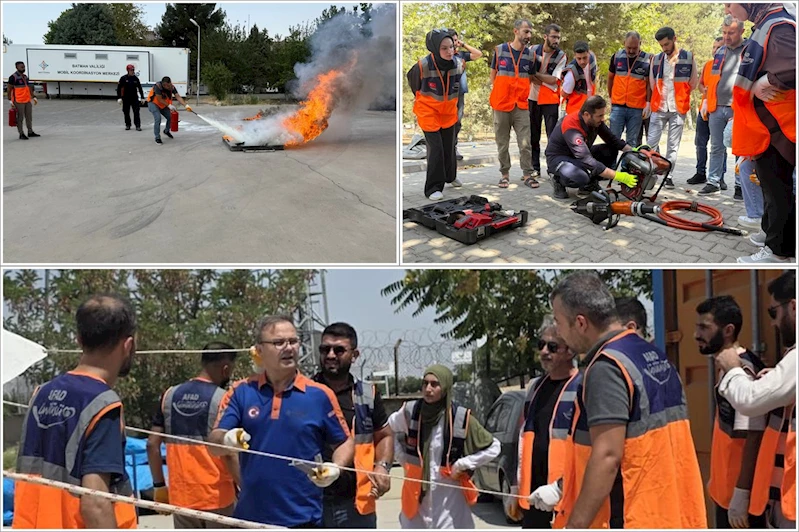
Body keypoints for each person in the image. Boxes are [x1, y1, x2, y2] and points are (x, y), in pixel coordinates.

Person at [549, 272, 707, 528]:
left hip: (630, 516)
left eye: (558, 322)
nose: (558, 332)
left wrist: (574, 526)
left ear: (580, 323)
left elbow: (607, 456)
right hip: (668, 511)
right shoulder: (652, 355)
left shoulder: (606, 367)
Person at [209, 316, 354, 528]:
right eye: (278, 343)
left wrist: (336, 467)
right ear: (259, 350)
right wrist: (227, 439)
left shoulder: (320, 395)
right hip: (250, 521)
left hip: (304, 520)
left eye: (293, 341)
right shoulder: (241, 392)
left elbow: (344, 442)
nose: (289, 348)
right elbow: (213, 443)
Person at [13, 294, 138, 528]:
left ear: (79, 339)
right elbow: (95, 501)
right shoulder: (103, 404)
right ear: (128, 345)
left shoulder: (41, 393)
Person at [715, 270, 796, 528]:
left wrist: (732, 369)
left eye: (774, 312)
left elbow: (750, 401)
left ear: (793, 306)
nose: (772, 322)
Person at [390, 365, 500, 528]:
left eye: (435, 384)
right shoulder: (410, 412)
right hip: (416, 496)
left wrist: (464, 464)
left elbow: (494, 447)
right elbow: (386, 430)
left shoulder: (459, 417)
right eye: (425, 383)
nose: (428, 389)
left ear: (446, 387)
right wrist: (401, 457)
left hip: (449, 495)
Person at [726, 3, 795, 264]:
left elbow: (792, 67)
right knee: (770, 184)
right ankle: (773, 235)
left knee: (778, 187)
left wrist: (765, 82)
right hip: (766, 126)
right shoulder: (765, 23)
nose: (727, 8)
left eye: (729, 2)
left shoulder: (779, 26)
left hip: (778, 126)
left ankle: (779, 252)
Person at [147, 342, 240, 528]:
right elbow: (230, 452)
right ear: (226, 368)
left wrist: (159, 486)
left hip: (182, 497)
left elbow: (151, 445)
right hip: (218, 496)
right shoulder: (225, 399)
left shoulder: (169, 395)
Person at [312, 322, 394, 528]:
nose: (330, 355)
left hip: (356, 505)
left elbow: (384, 435)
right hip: (312, 502)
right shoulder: (305, 391)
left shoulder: (367, 394)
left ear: (355, 355)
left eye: (339, 350)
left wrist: (382, 466)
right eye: (325, 349)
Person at [694, 296, 767, 528]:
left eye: (704, 327)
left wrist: (741, 493)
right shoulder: (727, 367)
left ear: (728, 330)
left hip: (739, 499)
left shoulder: (743, 370)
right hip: (725, 490)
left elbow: (752, 435)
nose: (696, 334)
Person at [514, 317, 581, 529]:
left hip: (565, 498)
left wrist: (559, 488)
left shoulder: (582, 387)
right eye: (540, 345)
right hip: (534, 499)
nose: (544, 351)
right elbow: (522, 441)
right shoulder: (535, 388)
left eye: (552, 347)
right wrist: (516, 487)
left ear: (570, 351)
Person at [544, 95, 638, 200]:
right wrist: (619, 176)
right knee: (580, 177)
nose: (603, 119)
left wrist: (633, 150)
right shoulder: (572, 126)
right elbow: (587, 160)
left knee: (610, 150)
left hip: (577, 156)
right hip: (558, 159)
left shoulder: (595, 122)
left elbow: (612, 140)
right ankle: (557, 178)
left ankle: (588, 185)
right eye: (600, 116)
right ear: (587, 114)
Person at [408, 29, 465, 200]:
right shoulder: (422, 66)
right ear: (434, 49)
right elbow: (413, 83)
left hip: (448, 113)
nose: (449, 52)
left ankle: (450, 176)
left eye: (451, 47)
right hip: (428, 113)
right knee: (436, 149)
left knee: (449, 146)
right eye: (444, 48)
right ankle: (433, 188)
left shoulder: (459, 64)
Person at [696, 16, 747, 197]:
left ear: (742, 31)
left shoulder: (749, 50)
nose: (726, 36)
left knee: (740, 148)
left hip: (738, 108)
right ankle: (713, 181)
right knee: (716, 146)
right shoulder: (720, 52)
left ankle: (741, 186)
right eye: (724, 32)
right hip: (717, 107)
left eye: (731, 33)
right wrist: (707, 101)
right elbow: (712, 80)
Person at [647, 27, 698, 188]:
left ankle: (669, 176)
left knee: (673, 146)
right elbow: (652, 83)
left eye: (667, 44)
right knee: (650, 144)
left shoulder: (688, 57)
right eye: (662, 45)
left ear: (674, 39)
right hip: (659, 107)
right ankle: (650, 171)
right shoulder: (656, 59)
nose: (664, 48)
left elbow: (693, 83)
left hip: (678, 109)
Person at [489, 19, 536, 189]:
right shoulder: (500, 50)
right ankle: (504, 175)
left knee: (525, 142)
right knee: (502, 142)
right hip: (501, 104)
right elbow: (493, 75)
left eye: (530, 32)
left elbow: (530, 77)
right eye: (525, 31)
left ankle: (527, 174)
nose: (528, 35)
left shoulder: (530, 55)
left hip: (521, 105)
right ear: (515, 31)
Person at [528, 24, 567, 179]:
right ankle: (534, 168)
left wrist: (537, 76)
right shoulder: (532, 50)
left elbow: (554, 79)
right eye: (553, 37)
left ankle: (553, 169)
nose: (556, 40)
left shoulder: (562, 56)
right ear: (545, 37)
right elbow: (527, 75)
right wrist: (541, 78)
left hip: (550, 100)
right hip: (532, 97)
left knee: (552, 136)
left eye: (558, 37)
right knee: (533, 135)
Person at [608, 32, 652, 146]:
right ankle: (610, 164)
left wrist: (648, 103)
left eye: (635, 48)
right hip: (618, 106)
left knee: (632, 142)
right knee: (613, 140)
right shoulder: (616, 57)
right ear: (624, 43)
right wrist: (611, 97)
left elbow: (649, 84)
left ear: (640, 44)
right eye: (628, 47)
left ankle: (627, 164)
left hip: (636, 108)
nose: (631, 51)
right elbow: (610, 78)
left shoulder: (648, 60)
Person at [692, 37, 726, 186]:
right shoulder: (708, 65)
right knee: (700, 143)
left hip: (719, 109)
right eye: (713, 47)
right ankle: (700, 172)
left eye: (719, 47)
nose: (715, 50)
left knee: (719, 145)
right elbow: (700, 84)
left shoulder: (727, 66)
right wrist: (703, 90)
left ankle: (720, 177)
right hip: (704, 109)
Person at [450, 30, 483, 161]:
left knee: (457, 122)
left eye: (456, 40)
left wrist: (463, 44)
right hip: (447, 95)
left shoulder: (461, 55)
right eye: (453, 40)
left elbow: (478, 54)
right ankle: (446, 149)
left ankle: (454, 148)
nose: (455, 43)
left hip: (459, 93)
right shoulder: (443, 55)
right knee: (446, 122)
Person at [147, 76, 192, 145]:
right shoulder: (158, 86)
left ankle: (166, 131)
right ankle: (157, 137)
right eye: (167, 86)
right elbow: (159, 99)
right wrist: (169, 105)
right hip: (153, 103)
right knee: (158, 118)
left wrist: (186, 105)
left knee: (170, 117)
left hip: (163, 105)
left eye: (169, 85)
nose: (169, 87)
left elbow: (178, 97)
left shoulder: (172, 87)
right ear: (163, 84)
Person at [560, 41, 597, 117]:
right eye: (579, 58)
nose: (582, 61)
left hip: (590, 108)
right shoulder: (571, 73)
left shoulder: (592, 59)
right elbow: (564, 93)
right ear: (575, 56)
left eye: (585, 58)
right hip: (575, 112)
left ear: (588, 53)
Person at [7, 61, 40, 140]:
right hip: (18, 101)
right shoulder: (13, 77)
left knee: (29, 117)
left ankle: (30, 131)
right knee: (20, 118)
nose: (23, 68)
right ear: (17, 67)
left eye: (24, 67)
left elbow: (28, 87)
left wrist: (33, 96)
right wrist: (10, 100)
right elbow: (9, 88)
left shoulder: (25, 76)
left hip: (27, 100)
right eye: (21, 67)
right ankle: (21, 133)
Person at [117, 64, 145, 131]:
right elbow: (119, 88)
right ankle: (128, 125)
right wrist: (119, 97)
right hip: (126, 98)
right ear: (128, 70)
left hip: (134, 98)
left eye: (133, 70)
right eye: (131, 70)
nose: (133, 71)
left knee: (136, 112)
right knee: (126, 112)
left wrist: (142, 97)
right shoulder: (123, 78)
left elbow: (140, 88)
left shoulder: (135, 78)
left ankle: (138, 125)